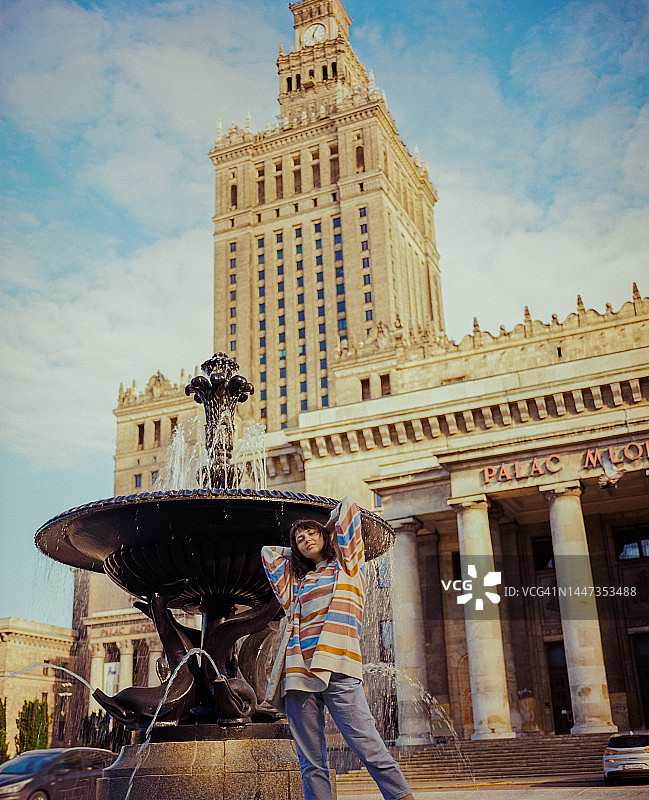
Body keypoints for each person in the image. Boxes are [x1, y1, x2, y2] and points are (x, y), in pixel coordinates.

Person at [261, 496, 415, 800]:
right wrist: (300, 547)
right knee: (310, 761)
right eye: (300, 539)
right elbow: (268, 554)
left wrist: (325, 530)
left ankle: (401, 797)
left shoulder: (347, 565)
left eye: (311, 535)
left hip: (339, 667)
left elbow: (348, 508)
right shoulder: (298, 583)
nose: (305, 541)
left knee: (368, 745)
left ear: (326, 536)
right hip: (298, 673)